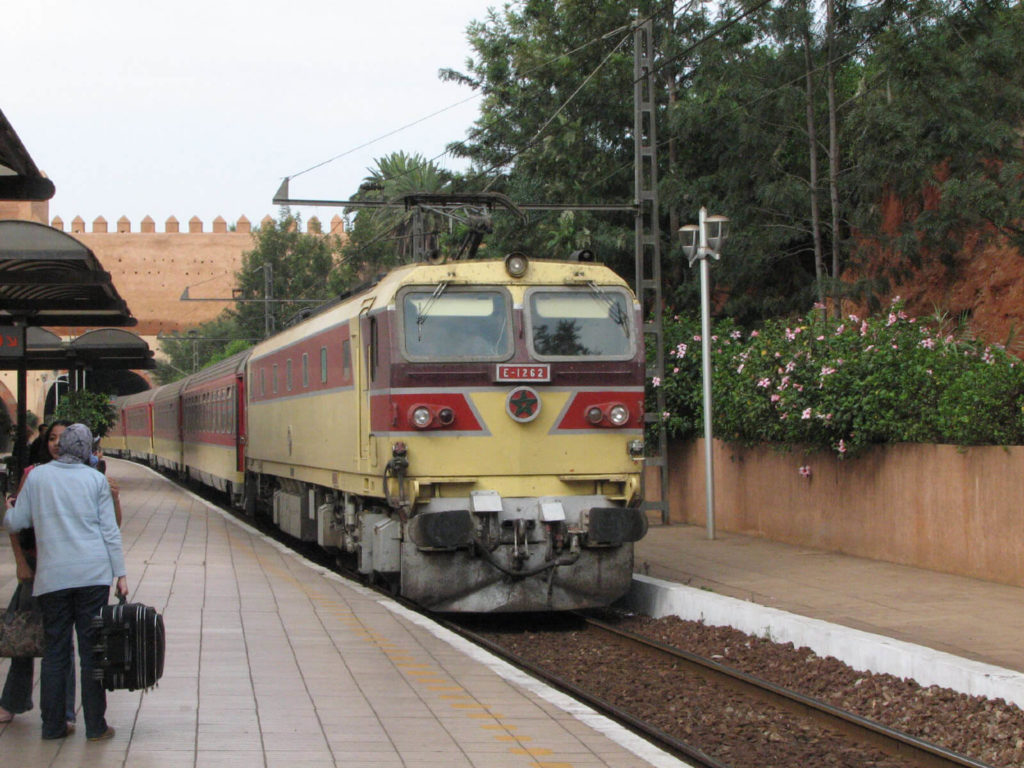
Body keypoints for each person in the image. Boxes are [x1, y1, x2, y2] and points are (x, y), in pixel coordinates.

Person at [3, 424, 127, 741]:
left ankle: (53, 726)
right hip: (93, 577)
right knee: (92, 652)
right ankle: (96, 727)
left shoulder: (38, 477)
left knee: (56, 653)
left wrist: (9, 510)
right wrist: (121, 574)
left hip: (53, 578)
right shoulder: (95, 480)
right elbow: (110, 530)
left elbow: (18, 522)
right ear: (85, 449)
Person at [0, 421, 76, 727]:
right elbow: (15, 521)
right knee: (24, 634)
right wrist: (20, 562)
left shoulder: (82, 475)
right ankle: (12, 701)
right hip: (35, 566)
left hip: (66, 569)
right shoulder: (33, 474)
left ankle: (66, 711)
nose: (56, 443)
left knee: (62, 641)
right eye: (52, 438)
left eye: (63, 438)